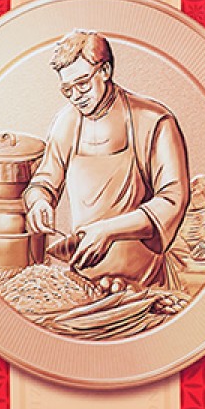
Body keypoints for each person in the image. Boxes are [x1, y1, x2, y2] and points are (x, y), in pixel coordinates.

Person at [24, 30, 190, 288]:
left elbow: (172, 200)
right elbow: (45, 179)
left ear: (105, 70)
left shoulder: (154, 121)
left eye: (82, 83)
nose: (76, 96)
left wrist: (108, 231)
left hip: (143, 283)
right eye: (67, 89)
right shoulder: (67, 122)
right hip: (82, 281)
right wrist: (39, 201)